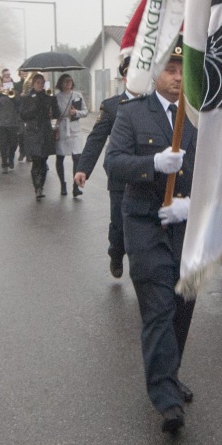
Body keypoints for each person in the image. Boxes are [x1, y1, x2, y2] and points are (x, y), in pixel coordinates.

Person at [104, 43, 196, 434]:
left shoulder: (200, 116)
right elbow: (114, 163)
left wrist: (193, 205)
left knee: (182, 306)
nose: (177, 76)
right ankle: (166, 398)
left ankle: (168, 372)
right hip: (145, 223)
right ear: (156, 73)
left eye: (182, 69)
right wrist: (153, 164)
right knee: (159, 307)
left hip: (187, 226)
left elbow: (216, 170)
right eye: (171, 69)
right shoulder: (132, 113)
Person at [74, 57, 133, 279]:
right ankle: (116, 253)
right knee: (119, 223)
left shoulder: (153, 103)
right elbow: (96, 138)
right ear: (124, 78)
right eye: (130, 73)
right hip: (119, 174)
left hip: (147, 174)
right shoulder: (111, 106)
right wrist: (83, 168)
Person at [18, 72, 60, 199]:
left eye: (42, 83)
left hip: (45, 131)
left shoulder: (48, 98)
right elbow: (23, 115)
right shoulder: (27, 98)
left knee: (43, 160)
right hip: (32, 132)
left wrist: (53, 103)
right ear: (33, 84)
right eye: (38, 83)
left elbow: (56, 114)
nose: (40, 85)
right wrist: (35, 107)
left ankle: (41, 185)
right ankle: (37, 188)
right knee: (36, 160)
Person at [52, 73, 87, 199]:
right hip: (62, 128)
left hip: (75, 129)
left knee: (77, 157)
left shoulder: (77, 95)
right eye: (65, 81)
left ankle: (75, 186)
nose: (68, 83)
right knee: (60, 156)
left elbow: (85, 112)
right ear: (61, 83)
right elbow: (53, 113)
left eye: (70, 81)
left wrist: (75, 112)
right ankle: (63, 184)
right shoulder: (56, 97)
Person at [0, 69, 22, 173]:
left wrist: (11, 95)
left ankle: (11, 158)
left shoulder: (15, 91)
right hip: (0, 122)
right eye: (5, 78)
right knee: (2, 143)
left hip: (13, 122)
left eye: (9, 78)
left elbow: (18, 103)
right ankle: (4, 162)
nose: (7, 79)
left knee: (13, 143)